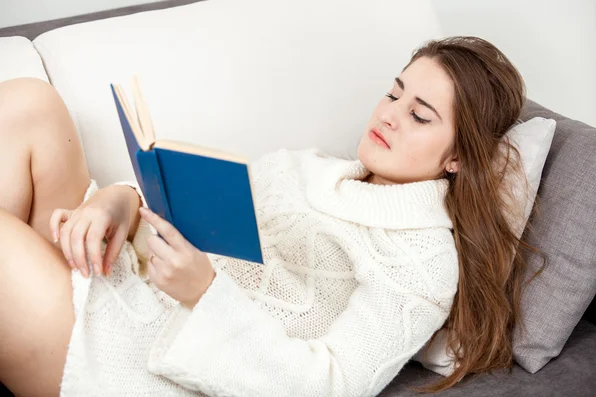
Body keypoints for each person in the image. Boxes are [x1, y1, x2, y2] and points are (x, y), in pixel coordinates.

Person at [0, 36, 536, 396]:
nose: (390, 116)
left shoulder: (422, 262)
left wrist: (204, 295)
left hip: (148, 358)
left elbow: (330, 386)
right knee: (31, 103)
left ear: (458, 157)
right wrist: (118, 201)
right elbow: (182, 217)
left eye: (420, 115)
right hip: (123, 276)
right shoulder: (306, 168)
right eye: (394, 94)